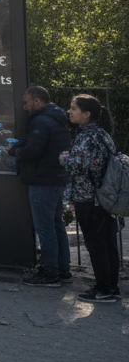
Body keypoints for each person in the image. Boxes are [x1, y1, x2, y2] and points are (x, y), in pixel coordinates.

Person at [61, 95, 120, 303]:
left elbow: (87, 167)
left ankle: (103, 288)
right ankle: (111, 286)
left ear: (86, 114)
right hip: (105, 198)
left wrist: (66, 159)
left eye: (73, 108)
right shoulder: (102, 134)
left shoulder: (87, 136)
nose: (69, 111)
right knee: (108, 243)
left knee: (96, 244)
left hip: (89, 198)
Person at [11, 86, 72, 286]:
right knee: (56, 224)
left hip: (42, 180)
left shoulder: (40, 121)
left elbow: (33, 151)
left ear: (37, 101)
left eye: (26, 102)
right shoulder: (58, 119)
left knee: (45, 227)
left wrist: (16, 152)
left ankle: (49, 273)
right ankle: (63, 269)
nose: (25, 107)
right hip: (56, 179)